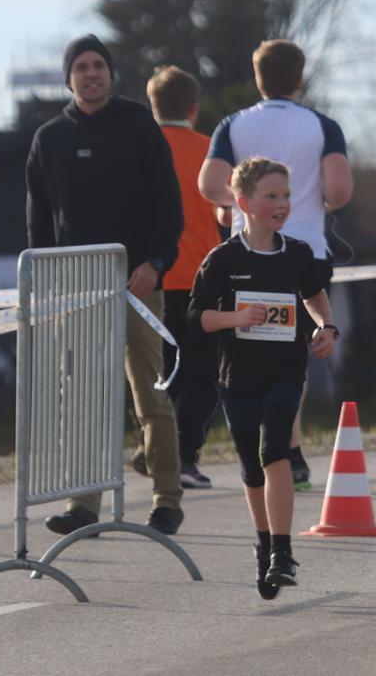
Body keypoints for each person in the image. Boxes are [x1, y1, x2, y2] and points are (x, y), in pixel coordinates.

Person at [26, 34, 185, 535]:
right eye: (81, 67)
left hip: (137, 283)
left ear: (111, 74)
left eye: (99, 66)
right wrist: (48, 284)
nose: (91, 74)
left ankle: (166, 499)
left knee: (149, 394)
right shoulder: (48, 138)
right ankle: (83, 505)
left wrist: (155, 264)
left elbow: (169, 206)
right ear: (68, 76)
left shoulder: (138, 124)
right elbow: (39, 226)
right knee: (84, 398)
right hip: (76, 291)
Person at [199, 39, 352, 490]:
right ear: (300, 78)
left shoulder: (233, 124)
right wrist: (305, 199)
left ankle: (265, 446)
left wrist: (244, 204)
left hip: (246, 251)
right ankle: (290, 447)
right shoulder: (323, 125)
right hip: (303, 247)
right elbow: (339, 190)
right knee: (291, 350)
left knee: (247, 345)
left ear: (257, 77)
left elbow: (209, 182)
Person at [188, 157, 337, 599]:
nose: (282, 204)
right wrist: (235, 317)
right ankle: (265, 543)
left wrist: (326, 328)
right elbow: (197, 318)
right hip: (237, 378)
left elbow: (314, 295)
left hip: (286, 372)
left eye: (287, 195)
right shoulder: (223, 259)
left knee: (275, 450)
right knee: (252, 467)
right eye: (271, 195)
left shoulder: (297, 254)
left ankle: (284, 553)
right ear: (243, 203)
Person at [146, 65, 222, 488]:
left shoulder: (143, 148)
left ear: (152, 106)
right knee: (203, 374)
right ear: (193, 109)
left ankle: (156, 449)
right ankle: (183, 454)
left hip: (151, 277)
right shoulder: (209, 150)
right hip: (199, 275)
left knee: (160, 374)